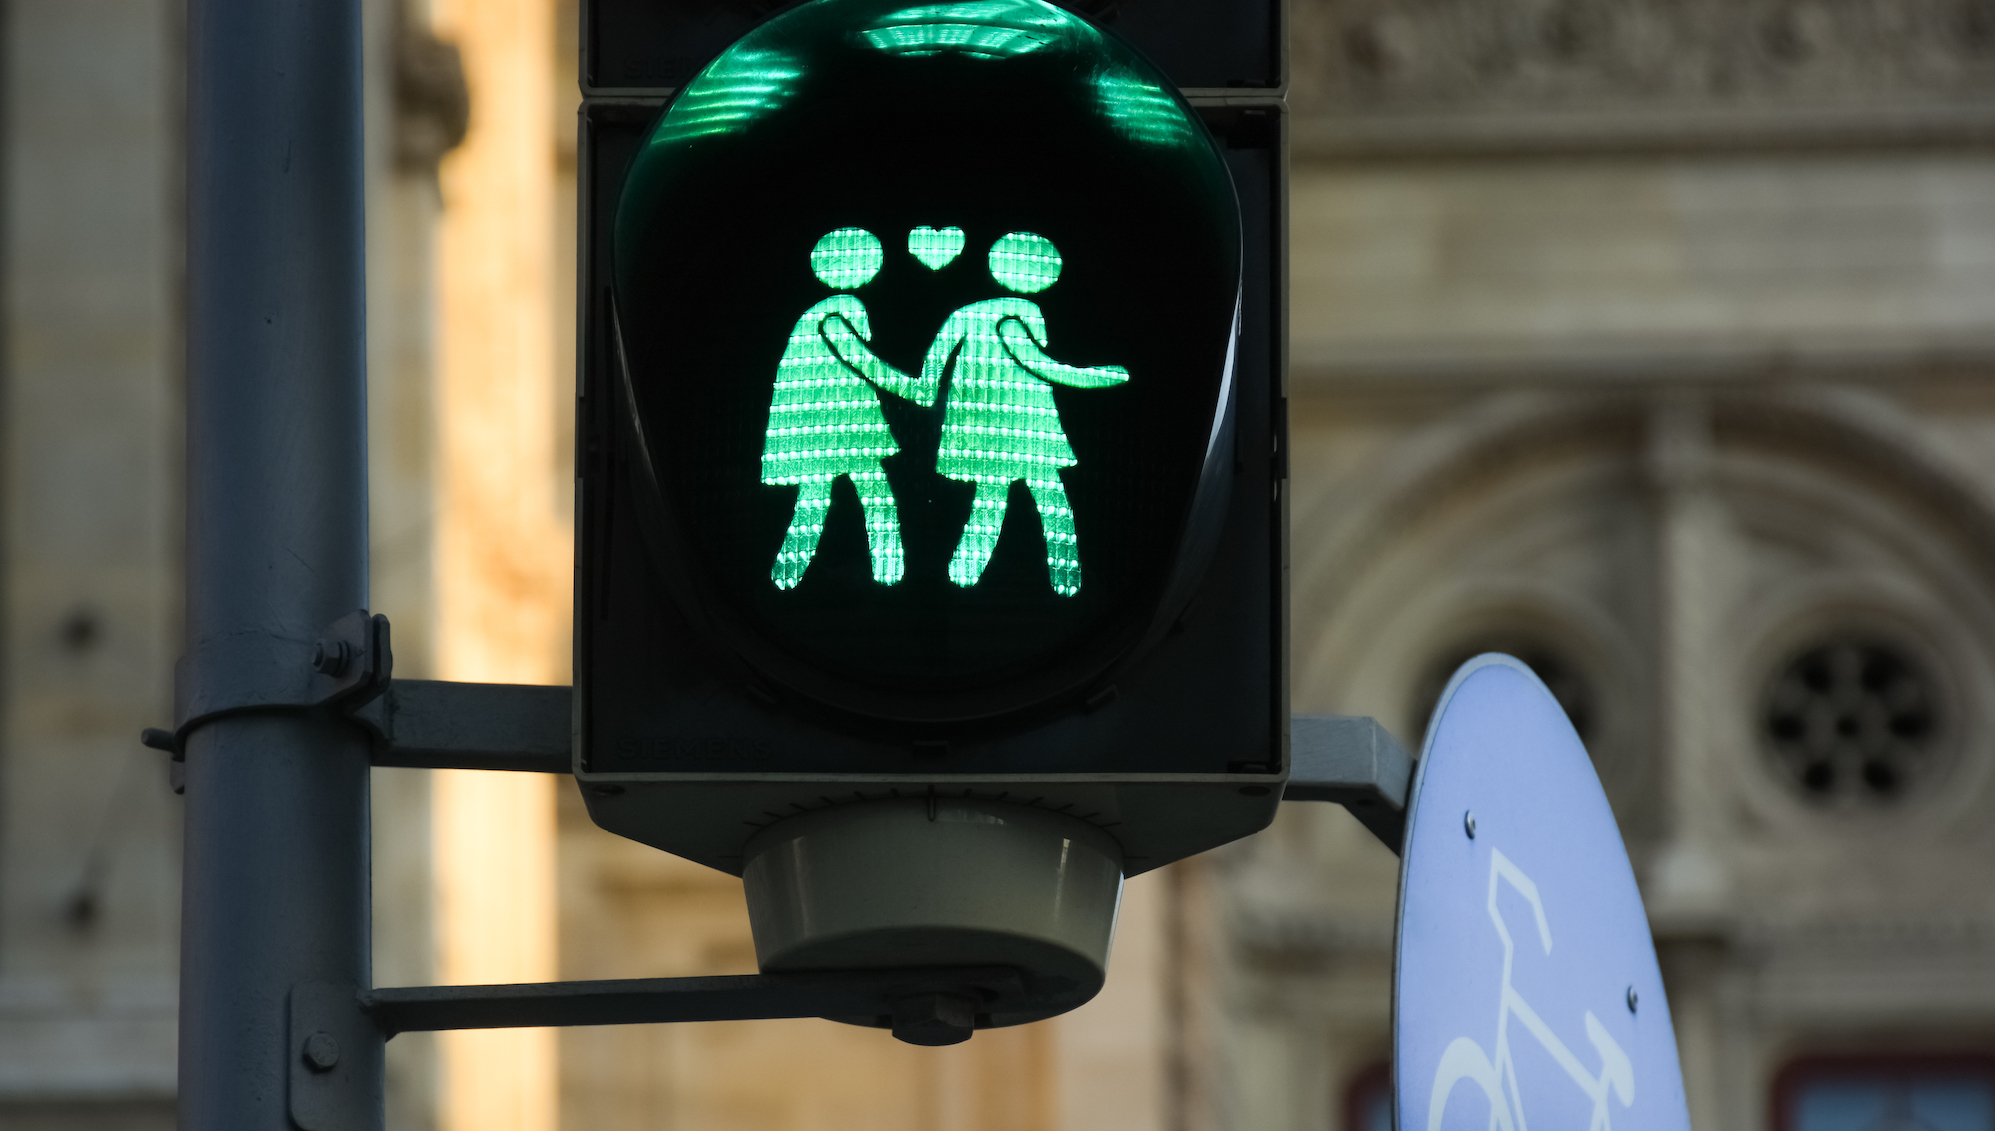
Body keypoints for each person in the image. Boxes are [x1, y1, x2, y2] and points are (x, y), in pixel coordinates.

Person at [923, 231, 1128, 597]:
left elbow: (931, 371)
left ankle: (962, 578)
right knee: (1052, 503)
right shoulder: (1021, 313)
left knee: (989, 504)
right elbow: (1037, 363)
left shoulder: (964, 314)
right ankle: (1066, 582)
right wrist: (1100, 377)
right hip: (1026, 427)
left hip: (981, 428)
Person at [762, 227, 934, 588]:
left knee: (818, 504)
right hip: (838, 427)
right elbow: (860, 359)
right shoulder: (837, 312)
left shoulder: (821, 312)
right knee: (870, 499)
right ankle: (887, 575)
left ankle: (787, 577)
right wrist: (913, 389)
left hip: (824, 426)